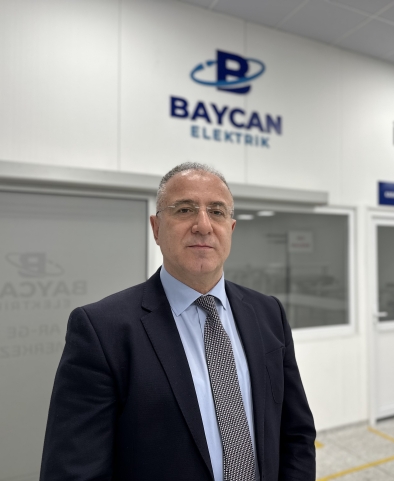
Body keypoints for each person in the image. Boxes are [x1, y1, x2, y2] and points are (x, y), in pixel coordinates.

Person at [39, 162, 316, 481]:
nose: (203, 225)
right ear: (156, 228)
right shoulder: (102, 330)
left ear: (231, 229)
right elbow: (75, 470)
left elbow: (296, 433)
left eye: (217, 212)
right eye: (185, 210)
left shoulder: (267, 313)